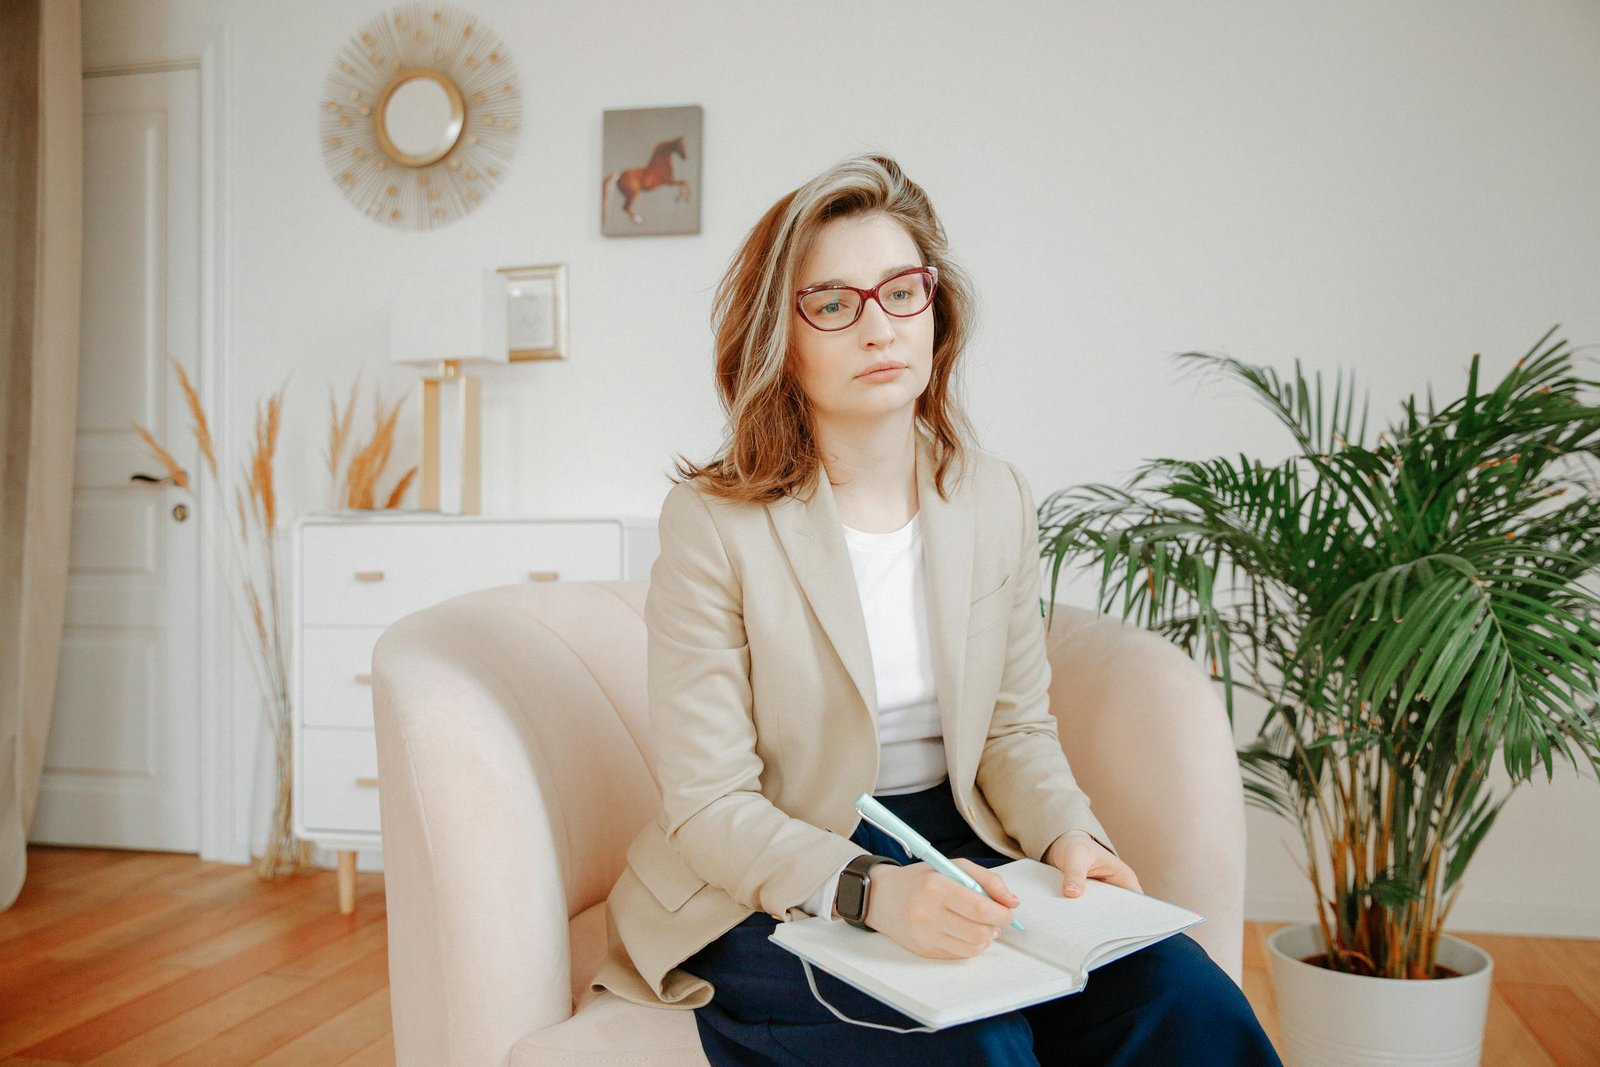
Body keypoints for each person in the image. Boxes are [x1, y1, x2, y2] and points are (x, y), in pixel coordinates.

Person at [591, 153, 1282, 1065]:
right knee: (977, 1042)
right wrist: (875, 892)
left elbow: (1013, 730)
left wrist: (1070, 833)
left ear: (936, 311)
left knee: (1187, 998)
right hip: (772, 876)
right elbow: (712, 802)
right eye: (833, 303)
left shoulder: (992, 497)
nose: (877, 326)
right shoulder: (716, 523)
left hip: (963, 843)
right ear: (781, 337)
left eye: (901, 292)